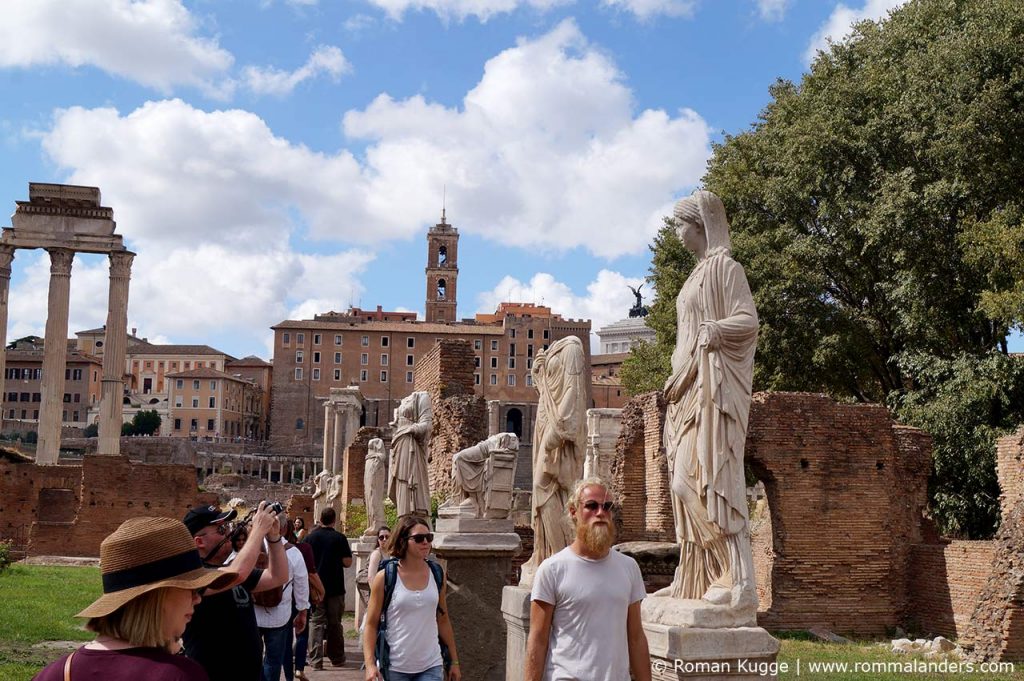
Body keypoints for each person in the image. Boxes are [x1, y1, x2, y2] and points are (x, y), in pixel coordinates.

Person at [661, 189, 759, 609]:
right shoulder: (693, 276)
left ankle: (732, 578)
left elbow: (747, 320)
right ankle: (694, 578)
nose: (678, 234)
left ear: (700, 226)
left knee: (697, 483)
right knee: (682, 485)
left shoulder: (725, 269)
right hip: (683, 389)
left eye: (682, 225)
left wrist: (715, 332)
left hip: (709, 389)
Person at [34, 517, 234, 681]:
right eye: (191, 588)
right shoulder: (179, 675)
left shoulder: (54, 673)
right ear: (156, 595)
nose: (197, 598)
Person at [525, 479, 651, 681]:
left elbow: (636, 637)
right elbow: (538, 640)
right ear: (574, 512)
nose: (600, 512)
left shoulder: (629, 567)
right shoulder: (552, 569)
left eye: (607, 506)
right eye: (591, 506)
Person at [181, 502, 288, 681]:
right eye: (221, 529)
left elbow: (278, 576)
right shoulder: (192, 576)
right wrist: (257, 531)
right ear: (199, 541)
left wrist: (273, 537)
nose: (229, 534)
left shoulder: (230, 569)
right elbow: (236, 575)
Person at [519, 335, 587, 586]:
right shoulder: (554, 352)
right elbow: (548, 390)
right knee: (545, 490)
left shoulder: (571, 347)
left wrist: (557, 432)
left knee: (544, 486)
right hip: (546, 422)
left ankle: (559, 554)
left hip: (559, 432)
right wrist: (539, 372)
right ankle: (546, 553)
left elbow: (572, 391)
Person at [362, 516, 461, 681]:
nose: (425, 542)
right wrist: (370, 665)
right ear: (403, 541)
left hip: (431, 665)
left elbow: (443, 619)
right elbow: (371, 624)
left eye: (429, 537)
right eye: (418, 538)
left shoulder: (437, 574)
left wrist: (454, 661)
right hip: (395, 667)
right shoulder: (385, 577)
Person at [256, 514, 309, 681]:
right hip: (280, 615)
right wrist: (302, 612)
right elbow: (301, 584)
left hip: (253, 614)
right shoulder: (293, 553)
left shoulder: (251, 550)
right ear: (285, 529)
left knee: (253, 659)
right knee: (273, 661)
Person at [305, 506, 353, 670]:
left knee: (316, 623)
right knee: (335, 624)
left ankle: (316, 660)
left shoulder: (310, 538)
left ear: (320, 519)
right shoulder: (339, 538)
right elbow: (348, 562)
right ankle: (337, 658)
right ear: (334, 519)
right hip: (335, 587)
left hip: (315, 587)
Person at [285, 521, 324, 681]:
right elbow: (311, 573)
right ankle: (299, 668)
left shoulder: (274, 548)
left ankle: (288, 675)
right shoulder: (303, 549)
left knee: (286, 637)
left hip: (285, 597)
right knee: (302, 633)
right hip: (302, 595)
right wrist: (321, 590)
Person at [387, 391, 433, 518]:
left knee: (410, 480)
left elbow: (427, 425)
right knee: (401, 481)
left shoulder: (422, 397)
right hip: (398, 444)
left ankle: (414, 516)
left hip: (411, 444)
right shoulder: (403, 402)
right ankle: (403, 518)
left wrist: (410, 429)